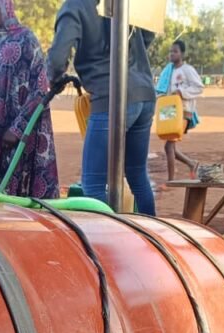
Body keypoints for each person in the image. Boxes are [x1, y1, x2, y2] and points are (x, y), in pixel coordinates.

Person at [47, 0, 156, 214]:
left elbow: (57, 58)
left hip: (111, 97)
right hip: (144, 93)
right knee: (137, 175)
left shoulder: (75, 6)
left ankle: (110, 241)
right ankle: (151, 239)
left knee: (93, 184)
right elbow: (148, 34)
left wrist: (54, 77)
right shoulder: (128, 3)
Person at [0, 0, 59, 198]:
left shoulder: (26, 39)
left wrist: (17, 129)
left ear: (5, 8)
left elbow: (40, 87)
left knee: (16, 188)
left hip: (20, 134)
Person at [156, 39, 203, 183]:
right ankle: (192, 163)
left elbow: (199, 87)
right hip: (170, 111)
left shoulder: (187, 70)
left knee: (169, 145)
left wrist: (182, 92)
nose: (172, 54)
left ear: (182, 53)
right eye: (170, 51)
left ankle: (171, 180)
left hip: (184, 112)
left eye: (175, 51)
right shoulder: (168, 71)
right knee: (170, 145)